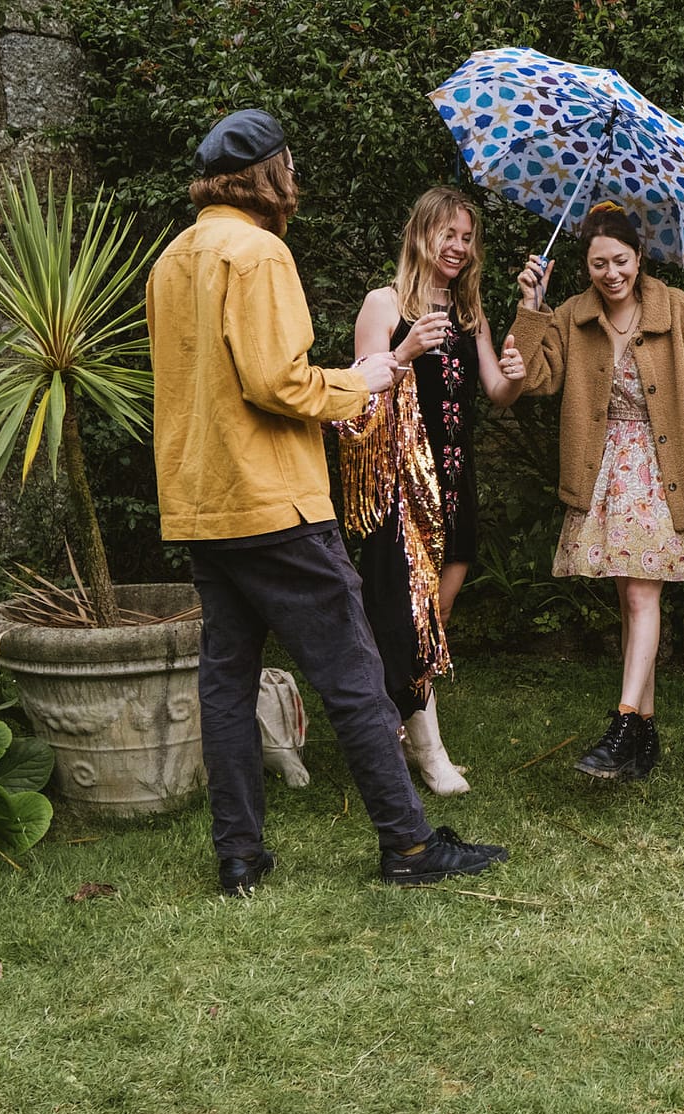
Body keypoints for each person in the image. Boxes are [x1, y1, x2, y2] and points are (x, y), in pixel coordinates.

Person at [146, 108, 508, 895]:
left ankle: (239, 856)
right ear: (265, 174)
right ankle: (409, 846)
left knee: (226, 683)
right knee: (354, 671)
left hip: (200, 503)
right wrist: (361, 381)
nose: (296, 179)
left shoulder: (173, 258)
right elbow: (277, 382)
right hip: (273, 502)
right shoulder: (260, 253)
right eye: (290, 164)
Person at [509, 202, 684, 781]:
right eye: (598, 264)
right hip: (604, 473)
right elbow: (531, 378)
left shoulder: (678, 311)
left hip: (661, 473)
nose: (611, 273)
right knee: (629, 603)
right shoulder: (571, 315)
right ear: (585, 266)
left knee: (642, 600)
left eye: (620, 260)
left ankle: (621, 725)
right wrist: (529, 308)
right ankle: (644, 733)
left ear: (639, 259)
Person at [344, 187, 526, 795]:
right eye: (448, 233)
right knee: (410, 615)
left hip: (455, 479)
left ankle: (390, 727)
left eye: (467, 237)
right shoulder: (385, 302)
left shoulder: (468, 309)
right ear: (421, 233)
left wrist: (516, 377)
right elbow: (358, 398)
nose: (458, 246)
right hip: (400, 484)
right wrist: (404, 348)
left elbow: (496, 391)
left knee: (435, 614)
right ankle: (432, 755)